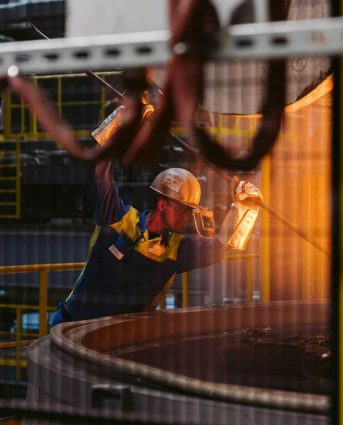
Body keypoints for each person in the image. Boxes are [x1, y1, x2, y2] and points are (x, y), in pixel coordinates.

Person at [50, 112, 262, 327]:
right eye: (183, 211)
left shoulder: (177, 250)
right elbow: (99, 169)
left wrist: (245, 209)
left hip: (114, 341)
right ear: (162, 205)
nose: (187, 218)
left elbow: (221, 248)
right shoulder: (118, 220)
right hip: (71, 327)